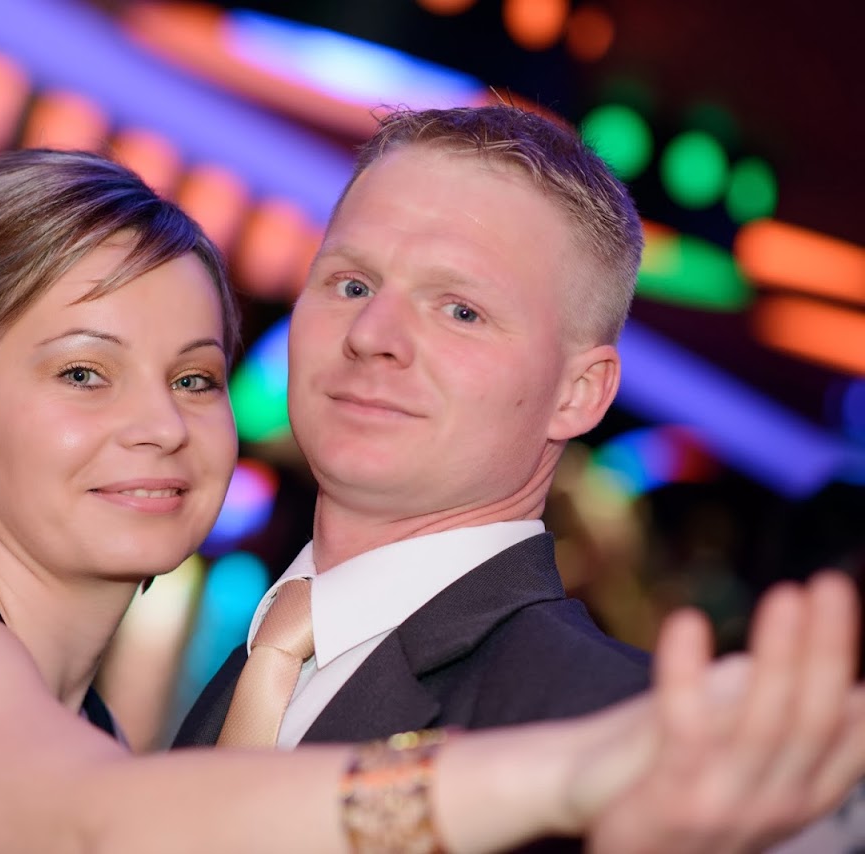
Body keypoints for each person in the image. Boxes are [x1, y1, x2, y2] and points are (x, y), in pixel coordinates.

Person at [0, 147, 865, 853]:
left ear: (580, 390)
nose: (375, 333)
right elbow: (99, 825)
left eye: (193, 376)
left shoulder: (607, 711)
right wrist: (559, 773)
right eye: (83, 371)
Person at [174, 106, 669, 756]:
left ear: (577, 393)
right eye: (352, 285)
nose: (371, 334)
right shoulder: (259, 657)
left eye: (461, 311)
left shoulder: (606, 728)